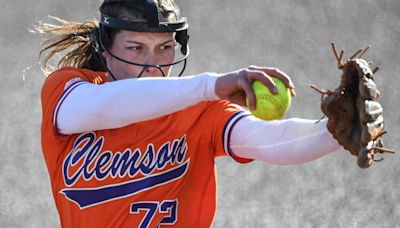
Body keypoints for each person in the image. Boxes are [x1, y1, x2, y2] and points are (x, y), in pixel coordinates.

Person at [37, 0, 340, 227]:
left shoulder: (197, 107)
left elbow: (270, 140)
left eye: (165, 47)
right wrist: (211, 85)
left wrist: (334, 131)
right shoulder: (69, 89)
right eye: (136, 48)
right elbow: (102, 107)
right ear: (106, 48)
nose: (153, 63)